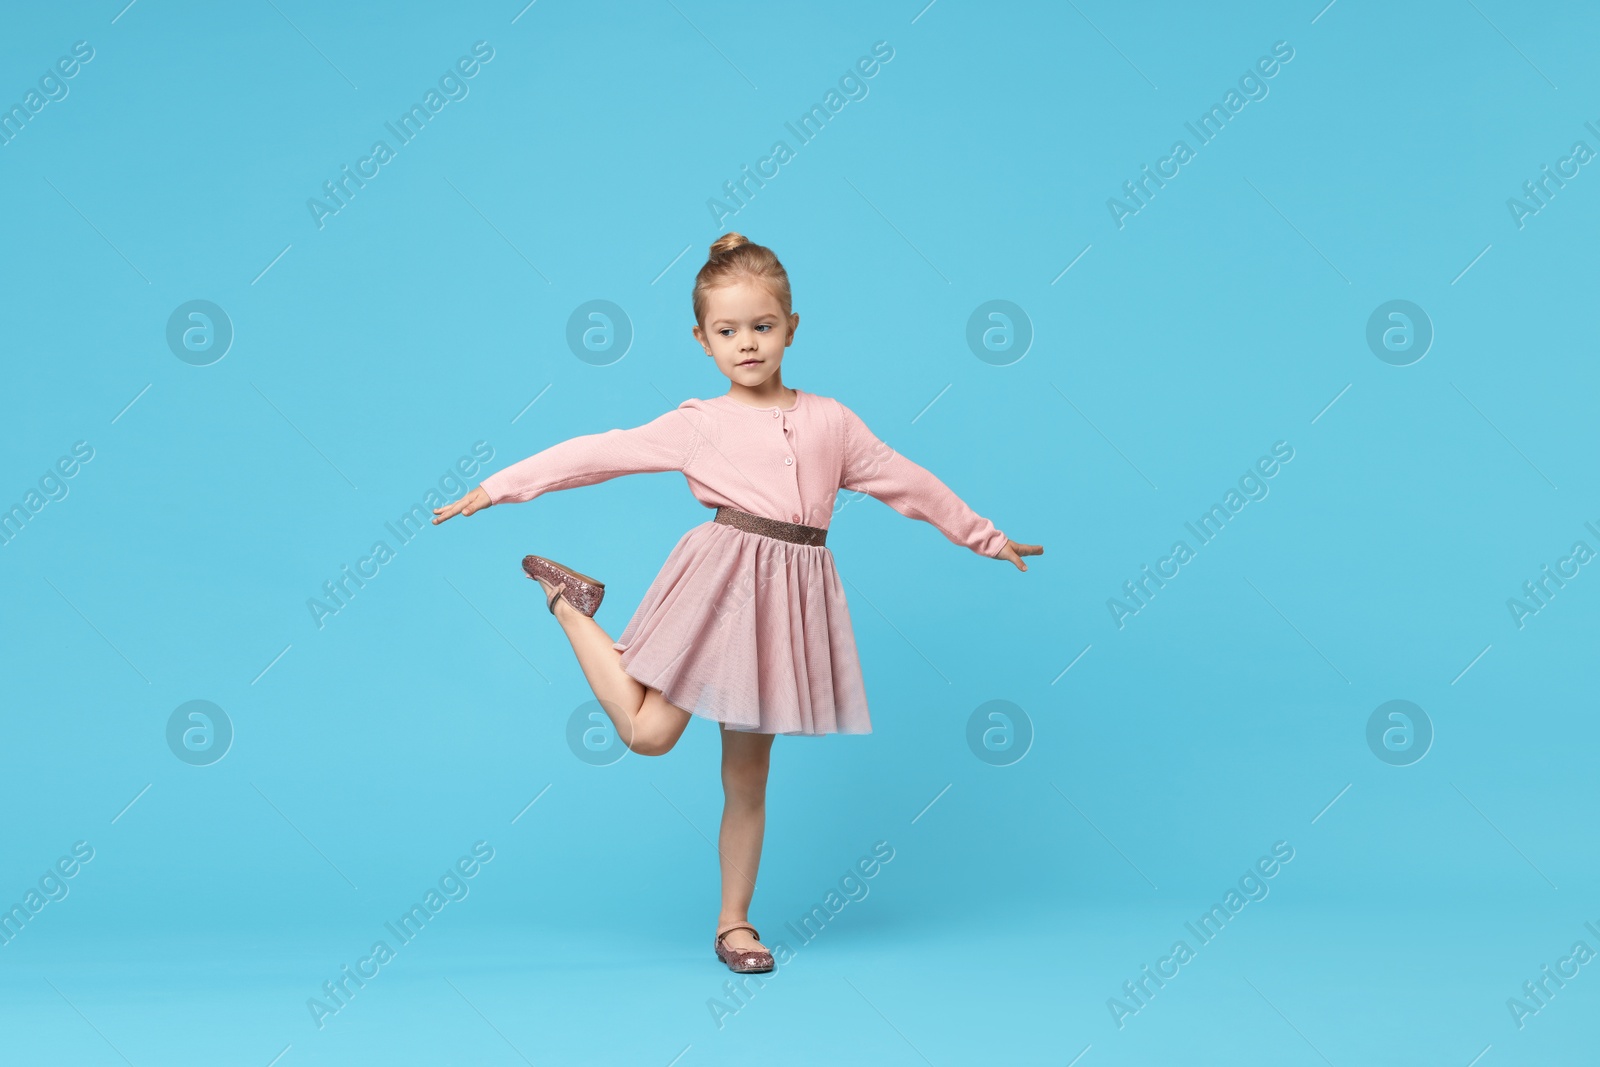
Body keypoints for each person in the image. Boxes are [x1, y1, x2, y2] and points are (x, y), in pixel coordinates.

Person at [433, 232, 1042, 972]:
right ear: (701, 339)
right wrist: (501, 484)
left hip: (789, 600)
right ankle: (568, 603)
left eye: (762, 326)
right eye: (727, 331)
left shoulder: (833, 422)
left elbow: (906, 482)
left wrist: (985, 536)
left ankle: (735, 925)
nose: (746, 344)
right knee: (651, 733)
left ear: (791, 326)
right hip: (720, 582)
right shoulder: (701, 423)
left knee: (748, 776)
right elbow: (601, 450)